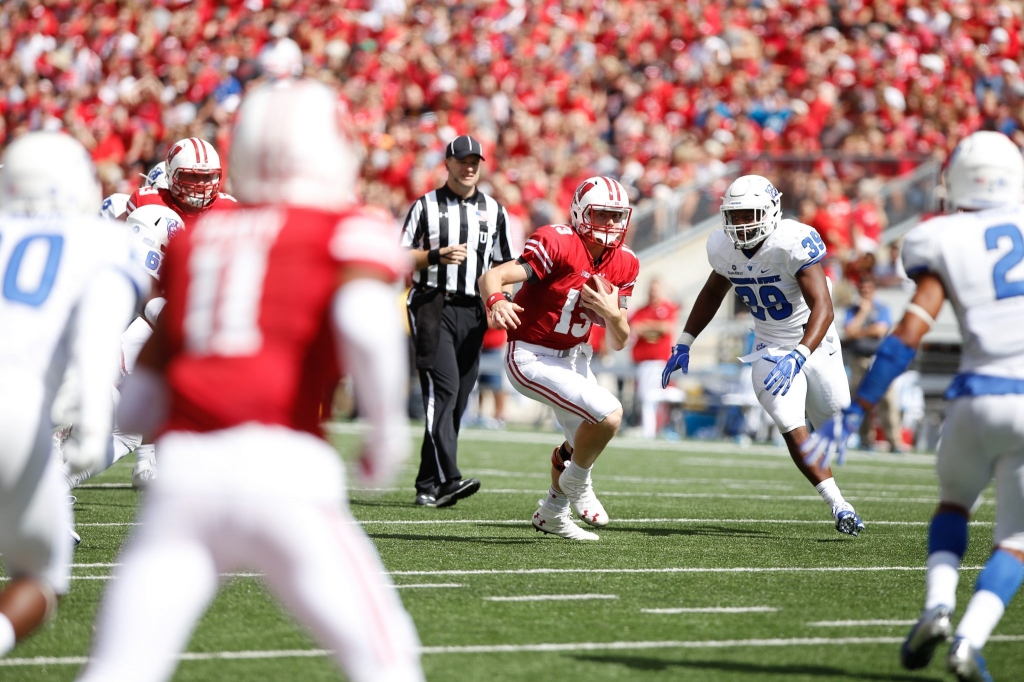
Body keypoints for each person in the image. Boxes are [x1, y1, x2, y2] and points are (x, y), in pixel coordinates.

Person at [75, 80, 424, 682]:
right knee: (385, 656)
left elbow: (136, 409)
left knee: (121, 666)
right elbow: (369, 330)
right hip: (282, 468)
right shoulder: (348, 226)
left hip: (186, 478)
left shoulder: (197, 241)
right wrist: (385, 434)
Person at [803, 131, 1024, 682]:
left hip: (973, 400)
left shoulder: (939, 236)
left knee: (953, 506)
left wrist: (858, 409)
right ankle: (969, 640)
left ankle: (937, 605)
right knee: (1017, 541)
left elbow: (908, 332)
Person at [0, 132, 145, 657]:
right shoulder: (102, 242)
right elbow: (95, 339)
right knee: (40, 575)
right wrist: (92, 420)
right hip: (17, 411)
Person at [662, 174, 865, 536]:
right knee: (789, 421)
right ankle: (839, 504)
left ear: (771, 211)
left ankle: (828, 437)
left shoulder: (791, 242)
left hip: (815, 340)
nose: (742, 224)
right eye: (735, 216)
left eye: (750, 214)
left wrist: (801, 354)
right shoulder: (723, 248)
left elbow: (824, 308)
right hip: (770, 346)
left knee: (834, 421)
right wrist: (685, 340)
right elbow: (712, 292)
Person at [479, 176, 640, 541]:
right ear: (581, 212)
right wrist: (497, 300)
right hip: (532, 356)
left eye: (617, 216)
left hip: (576, 360)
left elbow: (619, 340)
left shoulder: (626, 262)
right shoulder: (558, 241)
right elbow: (495, 275)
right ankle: (578, 484)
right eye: (602, 214)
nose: (611, 224)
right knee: (609, 414)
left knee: (580, 442)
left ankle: (552, 512)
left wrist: (612, 315)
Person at [400, 134, 516, 508]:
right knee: (444, 392)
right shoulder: (426, 206)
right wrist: (435, 256)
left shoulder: (495, 210)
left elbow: (505, 263)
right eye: (462, 160)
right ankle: (449, 478)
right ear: (446, 164)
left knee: (458, 398)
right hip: (433, 303)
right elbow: (399, 257)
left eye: (475, 162)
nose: (469, 167)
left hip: (474, 311)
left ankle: (426, 484)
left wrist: (502, 300)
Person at [59, 204, 186, 492]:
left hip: (68, 350)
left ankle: (51, 491)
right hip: (73, 354)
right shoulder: (135, 258)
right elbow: (155, 309)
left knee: (123, 434)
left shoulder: (106, 247)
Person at [843, 276, 903, 452]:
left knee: (888, 400)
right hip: (859, 358)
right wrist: (862, 313)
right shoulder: (853, 309)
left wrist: (859, 331)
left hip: (879, 358)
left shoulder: (882, 307)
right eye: (862, 289)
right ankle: (865, 439)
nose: (865, 292)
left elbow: (880, 330)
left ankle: (895, 441)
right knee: (861, 399)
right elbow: (848, 332)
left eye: (868, 289)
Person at [119, 137, 236, 227]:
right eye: (193, 176)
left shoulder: (228, 207)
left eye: (208, 176)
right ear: (171, 174)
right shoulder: (147, 202)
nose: (201, 184)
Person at [629, 277, 680, 438]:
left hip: (658, 360)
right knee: (645, 396)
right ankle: (649, 429)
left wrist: (648, 326)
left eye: (656, 288)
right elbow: (635, 327)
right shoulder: (641, 310)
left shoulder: (667, 308)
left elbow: (666, 327)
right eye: (652, 288)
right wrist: (654, 326)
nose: (653, 292)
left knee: (651, 397)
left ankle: (651, 430)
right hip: (642, 361)